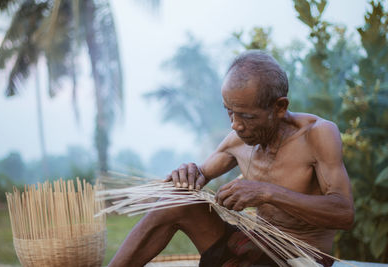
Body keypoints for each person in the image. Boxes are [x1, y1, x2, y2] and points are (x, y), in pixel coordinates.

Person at [108, 50, 354, 267]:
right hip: (252, 247)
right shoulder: (238, 139)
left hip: (299, 259)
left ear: (279, 107)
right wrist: (188, 174)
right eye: (229, 111)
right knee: (176, 201)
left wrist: (267, 192)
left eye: (247, 116)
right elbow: (201, 174)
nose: (236, 125)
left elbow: (344, 213)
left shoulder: (316, 134)